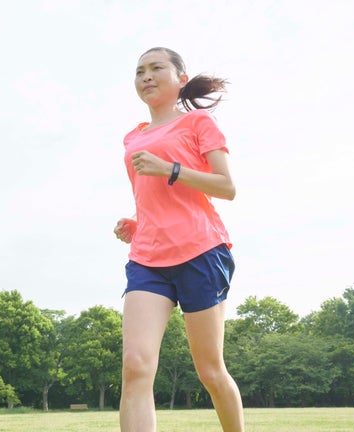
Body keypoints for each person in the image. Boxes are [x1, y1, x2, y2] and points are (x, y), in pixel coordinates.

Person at [114, 47, 244, 432]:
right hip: (147, 259)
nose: (146, 76)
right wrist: (138, 223)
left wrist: (170, 168)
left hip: (201, 252)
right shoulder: (132, 137)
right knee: (135, 365)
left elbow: (227, 187)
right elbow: (155, 199)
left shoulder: (199, 123)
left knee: (210, 371)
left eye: (157, 68)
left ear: (181, 79)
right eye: (140, 71)